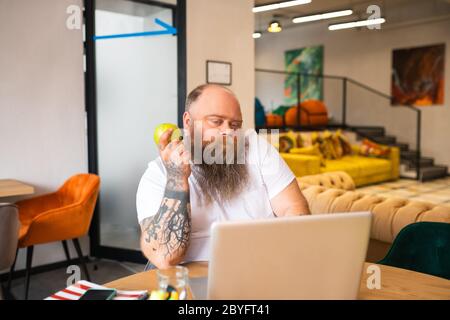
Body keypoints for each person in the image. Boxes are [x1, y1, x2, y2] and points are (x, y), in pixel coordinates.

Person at [137, 84, 310, 269]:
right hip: (194, 282)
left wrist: (283, 258)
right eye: (216, 121)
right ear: (188, 122)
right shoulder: (158, 174)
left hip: (262, 270)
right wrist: (177, 179)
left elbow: (294, 208)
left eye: (235, 125)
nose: (228, 132)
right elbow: (164, 257)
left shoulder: (257, 149)